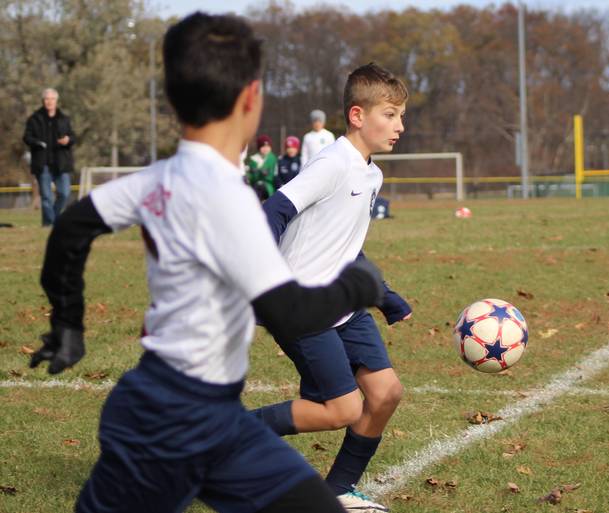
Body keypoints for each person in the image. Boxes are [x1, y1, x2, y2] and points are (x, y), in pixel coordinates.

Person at [28, 13, 385, 513]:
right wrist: (358, 287)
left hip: (211, 420)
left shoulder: (160, 177)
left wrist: (67, 322)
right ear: (250, 100)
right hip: (168, 422)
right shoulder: (228, 199)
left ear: (174, 101)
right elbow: (288, 313)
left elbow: (71, 229)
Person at [254, 62, 411, 513]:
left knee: (385, 394)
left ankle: (338, 490)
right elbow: (273, 210)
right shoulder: (333, 162)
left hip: (343, 303)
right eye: (391, 115)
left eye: (401, 116)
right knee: (341, 409)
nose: (399, 126)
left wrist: (385, 298)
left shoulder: (371, 173)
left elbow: (346, 248)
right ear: (358, 115)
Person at [23, 88, 76, 226]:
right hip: (43, 163)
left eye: (52, 99)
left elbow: (73, 137)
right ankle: (49, 225)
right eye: (47, 99)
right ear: (43, 101)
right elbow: (27, 137)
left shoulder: (64, 119)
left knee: (64, 193)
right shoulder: (34, 119)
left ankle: (53, 220)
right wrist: (36, 143)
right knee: (46, 196)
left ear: (56, 101)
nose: (49, 101)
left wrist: (68, 140)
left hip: (61, 163)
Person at [246, 134, 277, 200]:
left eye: (267, 146)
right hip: (255, 185)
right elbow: (250, 176)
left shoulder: (273, 158)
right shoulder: (253, 159)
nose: (265, 149)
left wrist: (266, 173)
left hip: (267, 186)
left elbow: (273, 175)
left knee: (261, 189)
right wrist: (251, 174)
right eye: (263, 146)